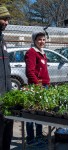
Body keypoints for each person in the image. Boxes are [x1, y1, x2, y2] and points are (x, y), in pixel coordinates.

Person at [25, 31, 50, 145]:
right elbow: (30, 72)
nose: (42, 41)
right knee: (31, 113)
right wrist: (37, 85)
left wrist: (46, 84)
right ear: (34, 40)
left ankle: (39, 136)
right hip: (36, 87)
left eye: (43, 39)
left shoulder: (42, 52)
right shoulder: (31, 52)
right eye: (39, 39)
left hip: (44, 86)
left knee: (39, 113)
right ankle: (30, 139)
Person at [0, 5, 13, 150]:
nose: (7, 23)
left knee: (7, 128)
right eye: (4, 19)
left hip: (6, 95)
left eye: (8, 19)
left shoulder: (3, 40)